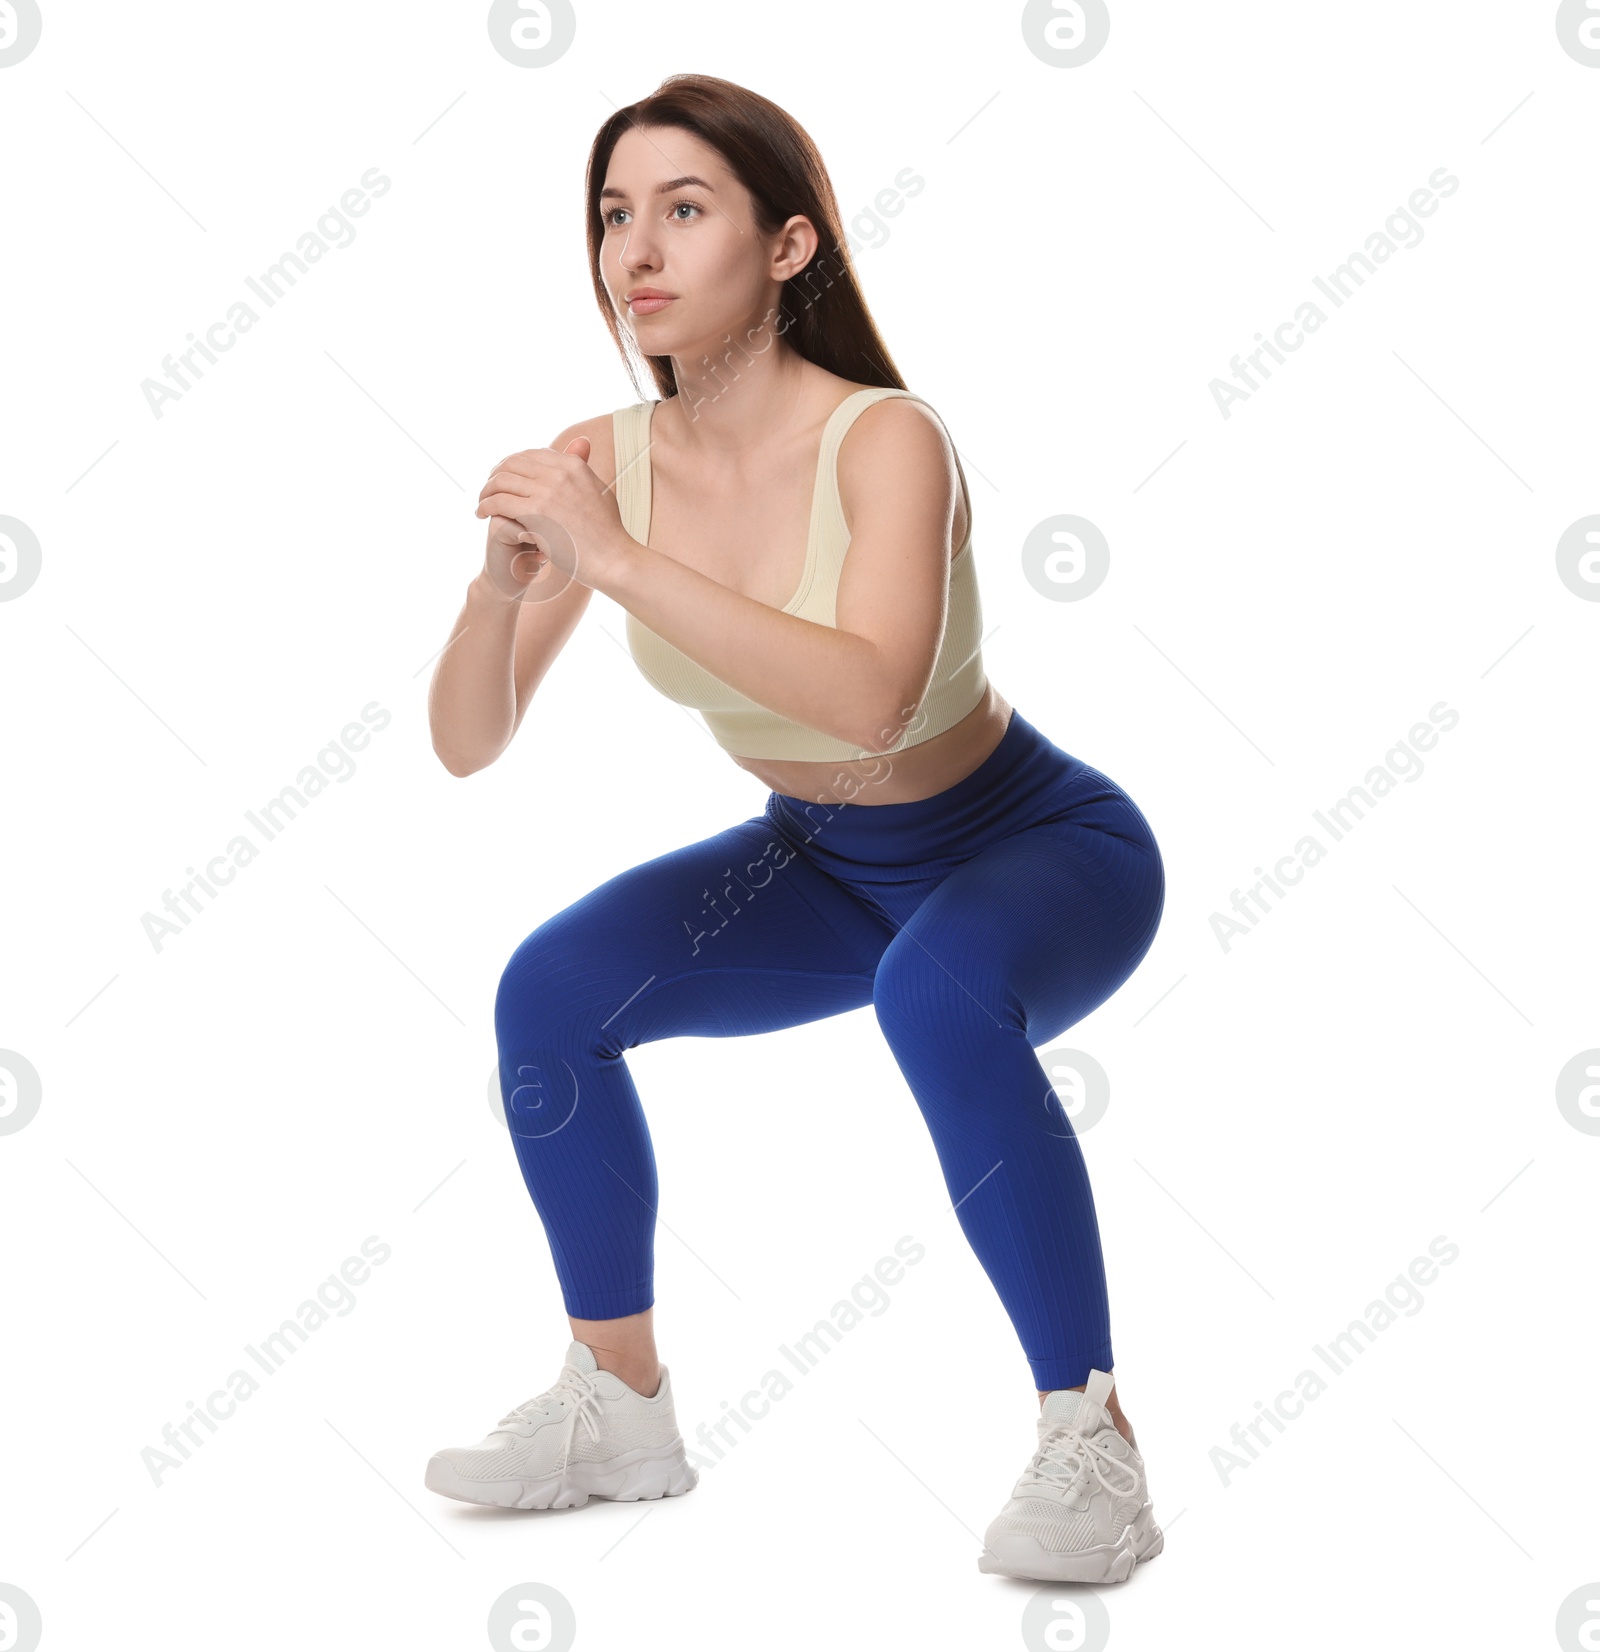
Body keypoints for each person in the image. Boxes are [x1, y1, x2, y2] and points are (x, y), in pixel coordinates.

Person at [422, 72, 1166, 1586]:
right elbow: (467, 744)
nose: (637, 247)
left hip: (1034, 849)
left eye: (684, 210)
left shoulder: (887, 439)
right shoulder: (601, 463)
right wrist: (507, 587)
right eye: (616, 214)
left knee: (938, 990)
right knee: (549, 995)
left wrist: (613, 560)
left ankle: (1093, 1442)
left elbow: (873, 702)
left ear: (788, 247)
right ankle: (618, 1406)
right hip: (823, 865)